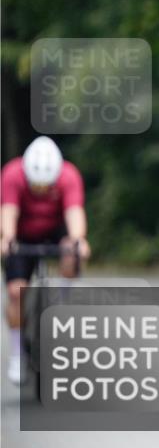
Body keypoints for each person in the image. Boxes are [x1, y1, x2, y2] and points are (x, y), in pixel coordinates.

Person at [0, 136, 90, 384]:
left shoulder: (68, 176)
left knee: (72, 251)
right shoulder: (12, 174)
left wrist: (78, 240)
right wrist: (7, 238)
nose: (40, 190)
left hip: (55, 230)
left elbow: (74, 213)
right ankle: (17, 355)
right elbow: (8, 210)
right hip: (22, 233)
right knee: (16, 292)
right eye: (35, 186)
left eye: (45, 186)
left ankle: (62, 303)